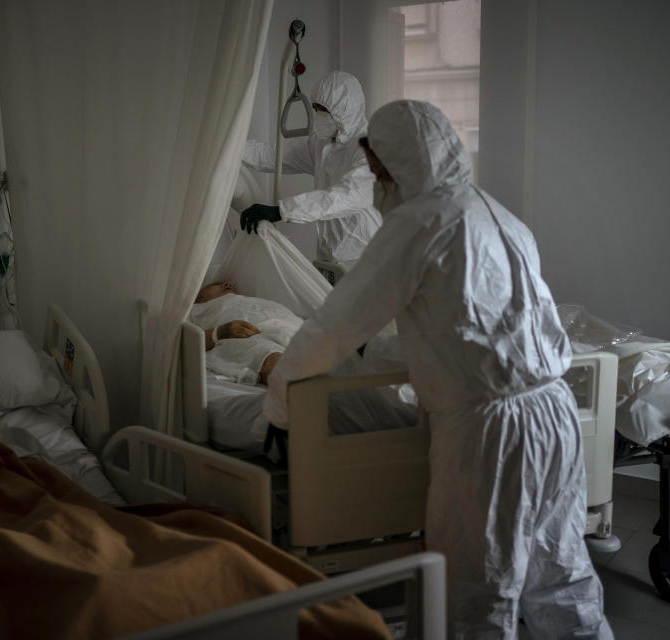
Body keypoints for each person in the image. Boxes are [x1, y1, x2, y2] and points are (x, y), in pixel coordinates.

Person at [262, 100, 612, 638]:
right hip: (555, 412)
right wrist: (377, 356)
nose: (378, 186)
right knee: (563, 579)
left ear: (401, 164)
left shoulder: (418, 223)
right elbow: (470, 330)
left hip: (491, 434)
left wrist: (281, 403)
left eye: (380, 173)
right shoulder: (499, 215)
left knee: (476, 596)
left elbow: (331, 328)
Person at [238, 70, 382, 267]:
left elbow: (348, 195)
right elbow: (274, 155)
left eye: (322, 109)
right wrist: (232, 148)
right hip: (329, 255)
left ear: (344, 110)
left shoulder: (370, 147)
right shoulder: (322, 143)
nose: (317, 115)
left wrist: (281, 210)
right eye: (315, 108)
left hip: (366, 256)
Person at [190, 280, 304, 385]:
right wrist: (219, 332)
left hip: (284, 324)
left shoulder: (250, 300)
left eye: (227, 284)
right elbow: (184, 343)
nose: (228, 284)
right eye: (217, 285)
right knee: (265, 352)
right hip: (241, 334)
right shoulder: (196, 310)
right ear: (199, 297)